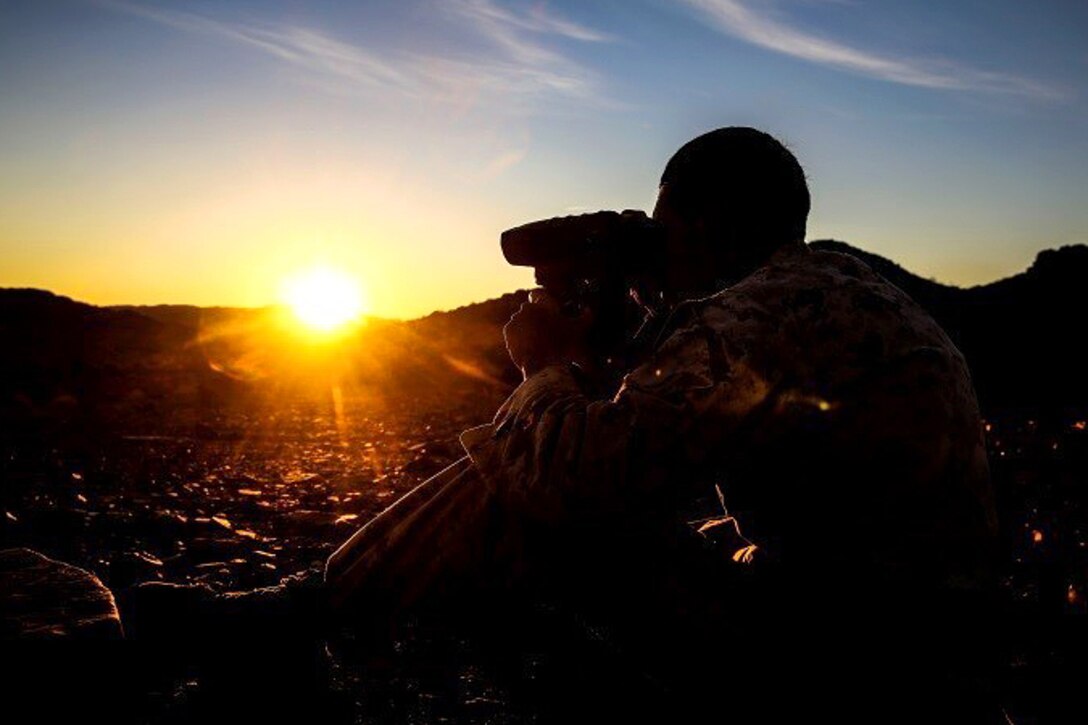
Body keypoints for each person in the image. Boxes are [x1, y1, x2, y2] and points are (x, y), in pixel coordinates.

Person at [129, 127, 1000, 719]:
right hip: (911, 638)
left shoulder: (767, 312)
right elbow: (670, 437)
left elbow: (579, 478)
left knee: (525, 492)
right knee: (567, 485)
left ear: (709, 221)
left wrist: (544, 364)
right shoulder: (833, 294)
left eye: (665, 226)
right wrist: (615, 348)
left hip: (852, 670)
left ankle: (290, 620)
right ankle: (300, 611)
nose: (656, 249)